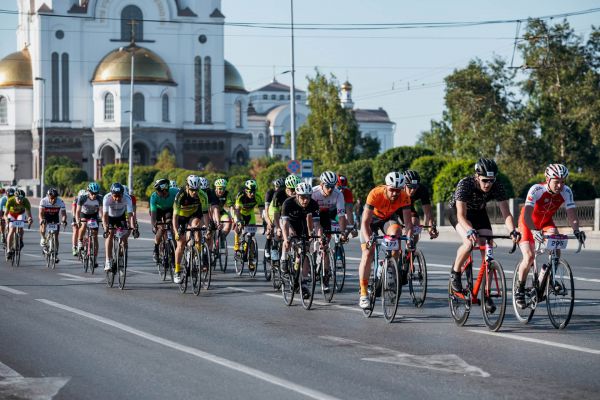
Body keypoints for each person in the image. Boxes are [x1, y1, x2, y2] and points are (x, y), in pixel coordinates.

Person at [448, 158, 520, 313]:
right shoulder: (465, 184)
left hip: (479, 213)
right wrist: (469, 230)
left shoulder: (497, 185)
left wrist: (513, 230)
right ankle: (455, 273)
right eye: (485, 180)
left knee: (488, 253)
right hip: (458, 213)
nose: (488, 184)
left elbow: (506, 213)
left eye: (491, 180)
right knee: (469, 243)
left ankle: (487, 295)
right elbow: (461, 215)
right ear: (477, 176)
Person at [514, 164, 586, 308]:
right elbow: (527, 213)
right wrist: (534, 230)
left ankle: (546, 278)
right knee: (528, 257)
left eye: (563, 181)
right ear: (547, 179)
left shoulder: (566, 191)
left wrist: (577, 230)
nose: (560, 185)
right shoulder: (536, 190)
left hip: (546, 222)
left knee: (556, 249)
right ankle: (520, 290)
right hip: (528, 222)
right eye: (556, 181)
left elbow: (572, 214)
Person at [358, 172, 413, 309]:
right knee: (367, 253)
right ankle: (363, 294)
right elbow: (364, 223)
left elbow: (408, 223)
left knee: (396, 232)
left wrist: (409, 238)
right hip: (371, 221)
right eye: (392, 190)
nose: (395, 193)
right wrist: (368, 239)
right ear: (386, 187)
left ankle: (389, 264)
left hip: (387, 219)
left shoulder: (404, 196)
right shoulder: (375, 193)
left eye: (398, 190)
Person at [281, 182, 320, 297]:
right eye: (302, 197)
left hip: (302, 225)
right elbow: (285, 224)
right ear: (297, 196)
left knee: (304, 252)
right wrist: (286, 239)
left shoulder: (313, 204)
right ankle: (284, 258)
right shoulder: (288, 203)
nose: (305, 200)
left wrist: (317, 237)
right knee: (287, 242)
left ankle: (303, 282)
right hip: (290, 224)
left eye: (308, 197)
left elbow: (317, 224)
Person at [312, 171, 348, 292]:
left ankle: (325, 277)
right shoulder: (314, 192)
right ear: (321, 184)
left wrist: (343, 233)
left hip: (325, 215)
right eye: (328, 186)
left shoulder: (338, 194)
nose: (330, 189)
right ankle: (313, 255)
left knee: (326, 246)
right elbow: (309, 215)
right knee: (316, 237)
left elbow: (341, 216)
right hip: (313, 216)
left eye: (333, 186)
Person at [172, 175, 204, 284]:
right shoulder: (180, 195)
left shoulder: (202, 195)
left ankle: (197, 256)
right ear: (187, 187)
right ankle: (177, 270)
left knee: (197, 229)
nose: (194, 192)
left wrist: (207, 228)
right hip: (181, 217)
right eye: (192, 190)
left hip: (193, 215)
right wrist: (176, 232)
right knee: (180, 244)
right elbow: (174, 217)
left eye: (196, 190)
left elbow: (205, 214)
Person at [231, 179, 264, 270]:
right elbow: (237, 210)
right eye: (250, 192)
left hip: (250, 215)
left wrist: (264, 220)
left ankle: (251, 259)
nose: (252, 194)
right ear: (246, 191)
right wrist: (238, 221)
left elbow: (261, 210)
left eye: (254, 191)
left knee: (251, 235)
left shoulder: (258, 196)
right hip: (240, 213)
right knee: (238, 228)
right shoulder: (240, 196)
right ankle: (237, 247)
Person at [102, 183, 134, 271]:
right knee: (110, 234)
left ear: (122, 194)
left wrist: (133, 227)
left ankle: (120, 256)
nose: (117, 198)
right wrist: (106, 228)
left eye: (119, 196)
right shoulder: (106, 198)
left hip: (121, 217)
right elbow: (104, 216)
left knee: (124, 237)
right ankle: (108, 260)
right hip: (110, 218)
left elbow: (130, 215)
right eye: (115, 196)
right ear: (111, 194)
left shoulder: (127, 198)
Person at [401, 170, 439, 243]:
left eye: (415, 187)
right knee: (396, 231)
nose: (413, 190)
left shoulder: (422, 189)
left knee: (415, 225)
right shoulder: (398, 189)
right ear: (404, 185)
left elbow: (428, 212)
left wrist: (431, 227)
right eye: (410, 187)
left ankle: (411, 251)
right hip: (395, 209)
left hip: (409, 208)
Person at [150, 178, 179, 263]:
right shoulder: (154, 197)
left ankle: (173, 251)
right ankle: (156, 249)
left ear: (165, 190)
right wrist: (154, 225)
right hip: (157, 211)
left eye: (158, 191)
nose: (157, 192)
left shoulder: (175, 191)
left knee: (171, 224)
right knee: (161, 228)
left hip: (169, 209)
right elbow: (153, 215)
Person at [76, 183, 103, 266]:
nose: (94, 195)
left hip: (94, 215)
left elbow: (101, 211)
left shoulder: (100, 198)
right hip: (84, 214)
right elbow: (78, 211)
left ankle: (94, 258)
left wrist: (102, 219)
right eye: (92, 193)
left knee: (95, 237)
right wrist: (78, 221)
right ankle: (80, 241)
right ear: (88, 192)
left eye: (96, 193)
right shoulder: (83, 197)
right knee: (83, 225)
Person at [39, 188, 67, 261]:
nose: (53, 200)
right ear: (48, 196)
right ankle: (42, 237)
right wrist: (42, 219)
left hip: (55, 217)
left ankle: (55, 254)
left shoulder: (60, 201)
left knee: (56, 236)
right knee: (43, 224)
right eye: (51, 198)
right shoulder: (43, 201)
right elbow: (41, 214)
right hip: (46, 216)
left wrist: (63, 220)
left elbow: (63, 214)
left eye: (55, 198)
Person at [4, 189, 33, 260]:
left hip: (20, 213)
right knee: (12, 229)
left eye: (22, 198)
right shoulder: (10, 201)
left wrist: (29, 219)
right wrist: (6, 219)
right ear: (15, 197)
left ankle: (20, 240)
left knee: (20, 227)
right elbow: (5, 215)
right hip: (12, 214)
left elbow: (29, 214)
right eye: (18, 198)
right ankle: (8, 250)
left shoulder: (26, 201)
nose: (20, 200)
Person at [213, 178, 234, 247]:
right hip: (211, 213)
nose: (221, 191)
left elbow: (231, 207)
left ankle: (222, 237)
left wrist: (233, 217)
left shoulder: (227, 194)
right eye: (219, 188)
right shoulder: (211, 194)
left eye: (223, 189)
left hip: (221, 212)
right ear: (216, 188)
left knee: (229, 221)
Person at [71, 189, 87, 256]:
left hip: (84, 214)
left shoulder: (86, 199)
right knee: (76, 230)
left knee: (85, 229)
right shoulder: (76, 200)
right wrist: (75, 219)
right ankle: (74, 247)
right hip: (77, 215)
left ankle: (84, 246)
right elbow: (74, 210)